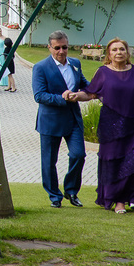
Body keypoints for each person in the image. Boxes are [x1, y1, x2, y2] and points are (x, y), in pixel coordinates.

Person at [83, 38, 134, 214]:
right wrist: (72, 95)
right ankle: (119, 201)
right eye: (114, 50)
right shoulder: (102, 72)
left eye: (122, 49)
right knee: (115, 162)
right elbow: (90, 93)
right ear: (109, 54)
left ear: (127, 52)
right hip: (112, 125)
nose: (119, 52)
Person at [32, 30, 89, 208]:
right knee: (49, 162)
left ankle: (71, 191)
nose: (61, 51)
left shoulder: (75, 63)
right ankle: (54, 196)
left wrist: (100, 90)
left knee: (78, 154)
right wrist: (62, 98)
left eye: (64, 47)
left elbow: (85, 84)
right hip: (50, 120)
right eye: (57, 48)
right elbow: (39, 95)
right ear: (49, 47)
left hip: (73, 119)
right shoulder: (40, 67)